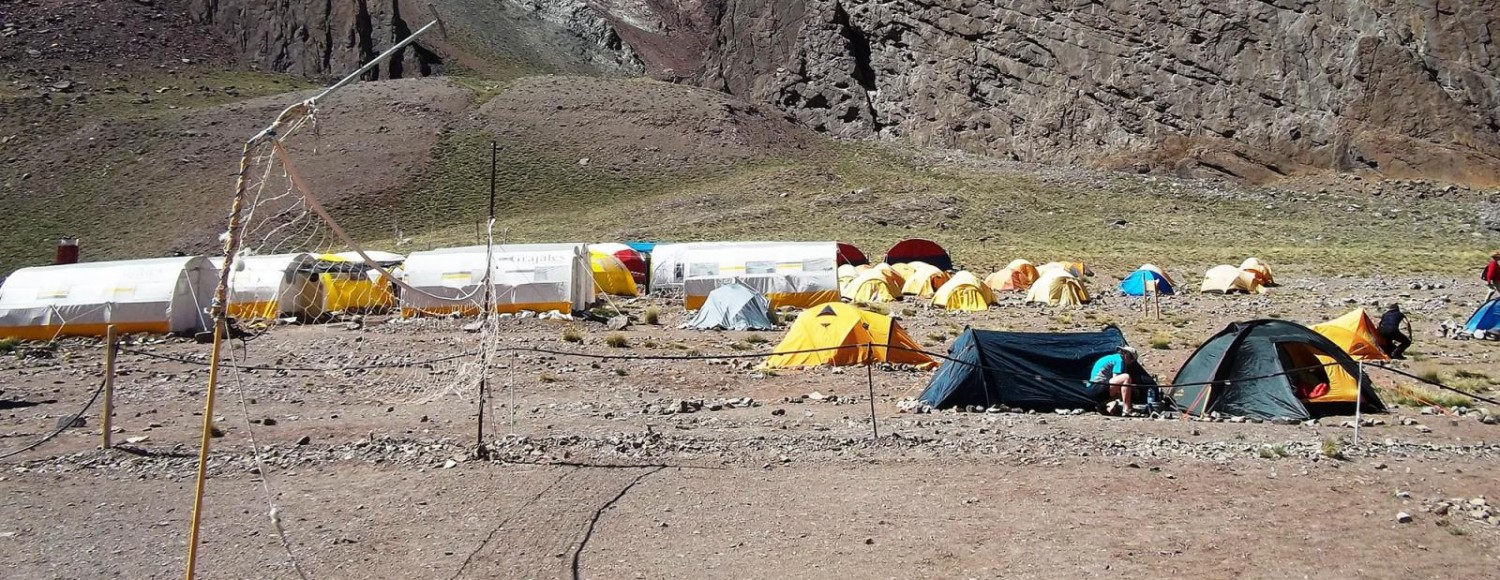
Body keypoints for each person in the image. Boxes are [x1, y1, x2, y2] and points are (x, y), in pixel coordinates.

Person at [1089, 346, 1149, 415]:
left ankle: (1104, 406)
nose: (1131, 362)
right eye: (1132, 359)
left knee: (1126, 388)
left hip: (1093, 388)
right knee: (1126, 377)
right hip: (1098, 387)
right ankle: (1127, 409)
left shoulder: (1112, 358)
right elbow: (1117, 382)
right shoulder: (1119, 360)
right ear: (1127, 355)